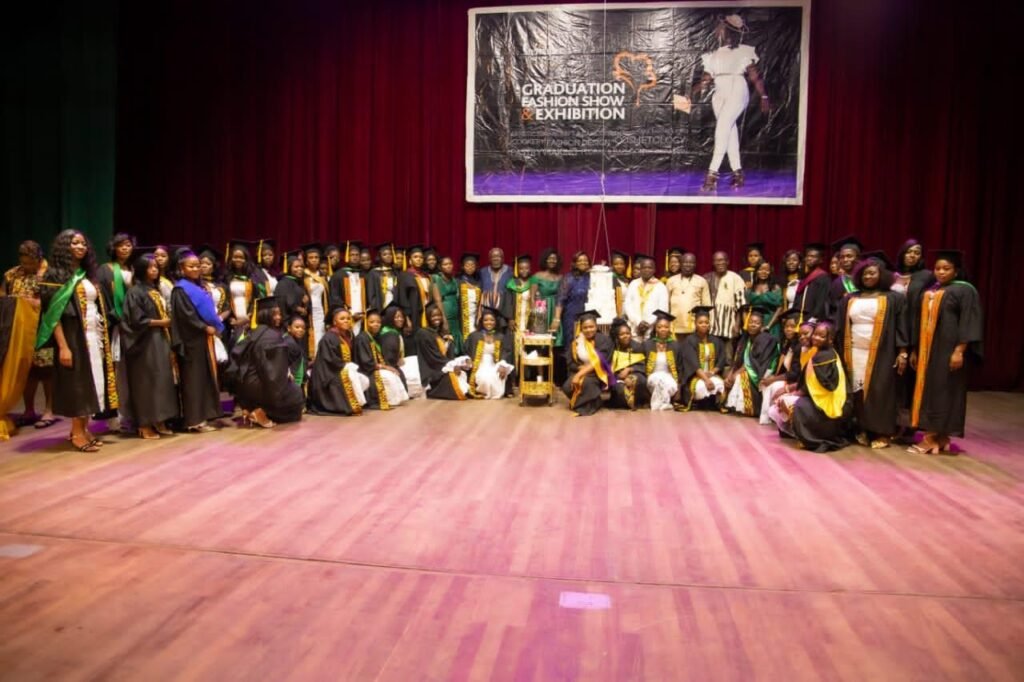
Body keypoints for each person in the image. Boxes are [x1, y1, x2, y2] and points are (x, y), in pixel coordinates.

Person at [36, 230, 117, 452]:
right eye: (74, 243)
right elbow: (53, 316)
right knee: (78, 384)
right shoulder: (55, 275)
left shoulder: (85, 274)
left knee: (94, 382)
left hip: (93, 335)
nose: (81, 246)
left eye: (83, 243)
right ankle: (77, 432)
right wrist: (63, 346)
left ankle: (83, 428)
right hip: (73, 336)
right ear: (64, 247)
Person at [673, 13, 770, 191]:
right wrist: (690, 93)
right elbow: (706, 79)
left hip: (737, 89)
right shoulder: (715, 54)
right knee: (729, 132)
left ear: (727, 30)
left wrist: (764, 96)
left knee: (722, 129)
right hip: (719, 93)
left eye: (720, 27)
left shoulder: (744, 51)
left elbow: (755, 76)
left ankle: (712, 174)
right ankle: (738, 174)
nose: (717, 30)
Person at [909, 250, 983, 454]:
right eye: (938, 268)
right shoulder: (932, 289)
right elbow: (919, 321)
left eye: (946, 269)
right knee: (931, 389)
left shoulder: (965, 291)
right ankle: (940, 437)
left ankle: (932, 436)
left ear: (956, 271)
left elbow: (969, 321)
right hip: (927, 350)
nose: (941, 272)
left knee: (944, 391)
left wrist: (959, 350)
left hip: (948, 350)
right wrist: (916, 349)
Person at [834, 256, 909, 449]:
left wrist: (903, 352)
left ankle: (882, 433)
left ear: (881, 275)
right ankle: (862, 428)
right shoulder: (851, 298)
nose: (868, 276)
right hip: (854, 351)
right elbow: (840, 326)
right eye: (865, 273)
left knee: (880, 391)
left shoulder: (894, 298)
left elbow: (902, 327)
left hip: (882, 352)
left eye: (872, 273)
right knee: (857, 391)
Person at [120, 252, 179, 439]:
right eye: (150, 267)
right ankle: (144, 424)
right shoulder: (135, 292)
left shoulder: (155, 289)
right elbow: (136, 320)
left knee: (161, 381)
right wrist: (163, 323)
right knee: (146, 382)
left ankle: (159, 419)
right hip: (144, 342)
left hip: (160, 339)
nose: (154, 270)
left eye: (156, 267)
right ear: (140, 270)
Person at [2, 240, 57, 429]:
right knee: (27, 370)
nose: (26, 266)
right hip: (19, 331)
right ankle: (29, 410)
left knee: (46, 370)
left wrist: (34, 303)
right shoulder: (12, 274)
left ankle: (49, 410)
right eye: (23, 262)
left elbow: (55, 301)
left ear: (39, 258)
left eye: (30, 263)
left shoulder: (49, 274)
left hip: (44, 328)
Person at [226, 296, 305, 426]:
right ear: (266, 314)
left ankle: (249, 409)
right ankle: (263, 412)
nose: (279, 317)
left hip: (244, 385)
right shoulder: (273, 336)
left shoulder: (252, 332)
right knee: (295, 395)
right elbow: (273, 375)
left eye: (279, 314)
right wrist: (283, 388)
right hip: (261, 384)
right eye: (275, 314)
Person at [170, 250, 225, 433]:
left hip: (201, 341)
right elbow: (186, 317)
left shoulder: (197, 286)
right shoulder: (180, 289)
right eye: (191, 266)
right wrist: (204, 327)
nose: (195, 269)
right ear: (181, 268)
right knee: (193, 381)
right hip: (190, 342)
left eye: (197, 265)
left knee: (202, 380)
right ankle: (193, 421)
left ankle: (202, 418)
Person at [779, 321, 853, 452]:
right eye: (815, 334)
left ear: (830, 339)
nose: (816, 338)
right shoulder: (820, 353)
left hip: (828, 401)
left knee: (797, 405)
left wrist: (798, 393)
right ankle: (797, 434)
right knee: (784, 402)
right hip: (818, 396)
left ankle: (811, 438)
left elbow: (825, 384)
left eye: (821, 336)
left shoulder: (825, 356)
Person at [307, 306, 368, 416]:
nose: (346, 321)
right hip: (328, 375)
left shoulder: (348, 335)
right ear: (335, 322)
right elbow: (330, 360)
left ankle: (356, 402)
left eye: (348, 318)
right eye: (342, 319)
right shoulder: (329, 338)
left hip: (341, 369)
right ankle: (351, 405)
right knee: (351, 375)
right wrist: (346, 366)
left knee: (364, 380)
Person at [723, 305, 779, 417]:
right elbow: (738, 360)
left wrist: (736, 373)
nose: (753, 325)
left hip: (760, 373)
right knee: (729, 376)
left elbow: (755, 363)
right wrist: (730, 373)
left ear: (762, 325)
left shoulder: (766, 339)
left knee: (740, 377)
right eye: (751, 322)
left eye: (757, 323)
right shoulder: (746, 338)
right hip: (748, 370)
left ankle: (750, 408)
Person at [354, 308, 409, 409]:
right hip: (366, 370)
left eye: (378, 322)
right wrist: (385, 367)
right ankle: (388, 400)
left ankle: (394, 401)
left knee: (394, 374)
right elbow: (365, 362)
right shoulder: (362, 338)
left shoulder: (374, 337)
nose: (376, 324)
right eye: (372, 322)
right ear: (366, 323)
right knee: (388, 375)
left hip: (373, 367)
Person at [562, 309, 614, 416]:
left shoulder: (603, 340)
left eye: (591, 327)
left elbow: (599, 361)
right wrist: (579, 369)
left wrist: (579, 375)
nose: (589, 330)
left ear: (596, 326)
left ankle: (588, 405)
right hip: (581, 371)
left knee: (586, 383)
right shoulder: (577, 342)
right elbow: (570, 361)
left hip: (598, 373)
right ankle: (595, 401)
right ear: (581, 328)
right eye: (585, 327)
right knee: (567, 386)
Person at [415, 303, 472, 400]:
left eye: (439, 315)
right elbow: (433, 358)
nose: (437, 318)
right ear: (428, 317)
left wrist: (449, 344)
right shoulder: (423, 334)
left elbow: (448, 357)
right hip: (433, 371)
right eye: (433, 316)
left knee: (464, 372)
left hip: (443, 366)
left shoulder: (440, 333)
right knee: (456, 386)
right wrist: (452, 366)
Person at [678, 306, 728, 412]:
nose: (704, 325)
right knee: (701, 387)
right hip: (696, 376)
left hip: (712, 374)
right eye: (700, 322)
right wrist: (706, 379)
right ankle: (703, 401)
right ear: (695, 324)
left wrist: (712, 372)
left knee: (720, 384)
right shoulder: (689, 341)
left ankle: (715, 403)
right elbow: (692, 363)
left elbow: (722, 359)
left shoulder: (716, 341)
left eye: (706, 322)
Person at [757, 307, 802, 424]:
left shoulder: (800, 347)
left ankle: (772, 417)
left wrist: (773, 379)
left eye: (792, 326)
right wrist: (770, 378)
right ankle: (770, 417)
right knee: (765, 384)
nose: (788, 329)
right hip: (787, 377)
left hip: (796, 382)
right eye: (786, 327)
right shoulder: (788, 344)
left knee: (773, 385)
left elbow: (795, 373)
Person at [223, 239, 268, 349]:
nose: (238, 260)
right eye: (235, 257)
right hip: (232, 322)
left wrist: (249, 317)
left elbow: (260, 299)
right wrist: (230, 319)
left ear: (246, 259)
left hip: (250, 320)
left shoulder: (254, 277)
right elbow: (224, 300)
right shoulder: (227, 277)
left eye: (241, 257)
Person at [704, 251, 746, 364]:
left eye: (723, 260)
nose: (720, 263)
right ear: (713, 263)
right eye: (717, 260)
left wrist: (737, 325)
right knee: (711, 356)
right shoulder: (707, 278)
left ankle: (726, 380)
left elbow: (740, 305)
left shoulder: (735, 278)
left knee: (728, 358)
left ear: (728, 262)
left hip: (728, 326)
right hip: (710, 325)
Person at [465, 307, 516, 399]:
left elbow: (506, 352)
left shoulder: (500, 336)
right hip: (479, 365)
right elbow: (467, 352)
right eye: (486, 320)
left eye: (492, 320)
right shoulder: (474, 336)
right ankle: (482, 392)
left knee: (496, 376)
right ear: (482, 322)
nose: (489, 322)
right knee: (485, 378)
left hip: (494, 364)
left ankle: (495, 392)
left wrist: (502, 365)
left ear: (496, 322)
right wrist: (468, 360)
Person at [666, 251, 711, 341]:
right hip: (675, 327)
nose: (688, 265)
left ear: (695, 265)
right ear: (681, 264)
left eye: (691, 263)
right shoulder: (671, 280)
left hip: (694, 328)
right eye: (685, 262)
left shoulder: (701, 281)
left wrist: (705, 325)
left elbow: (706, 306)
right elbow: (666, 305)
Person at [624, 254, 669, 341]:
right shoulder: (633, 284)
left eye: (650, 267)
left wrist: (648, 323)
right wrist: (638, 322)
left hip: (652, 329)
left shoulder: (660, 286)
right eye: (644, 267)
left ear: (654, 270)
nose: (647, 270)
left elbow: (663, 310)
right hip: (634, 327)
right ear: (640, 269)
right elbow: (627, 305)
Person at [643, 310, 682, 411]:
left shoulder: (675, 345)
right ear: (655, 329)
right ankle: (665, 404)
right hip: (652, 376)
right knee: (658, 382)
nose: (663, 329)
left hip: (670, 377)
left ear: (669, 328)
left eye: (666, 327)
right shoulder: (648, 344)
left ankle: (658, 404)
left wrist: (679, 386)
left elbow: (680, 367)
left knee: (666, 384)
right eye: (659, 327)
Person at [607, 317, 648, 410]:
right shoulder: (613, 347)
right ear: (617, 336)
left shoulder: (637, 347)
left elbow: (644, 366)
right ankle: (627, 402)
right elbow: (610, 366)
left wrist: (629, 370)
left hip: (635, 373)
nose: (625, 336)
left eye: (627, 333)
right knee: (620, 389)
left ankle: (636, 401)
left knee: (639, 380)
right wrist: (619, 376)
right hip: (618, 376)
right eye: (622, 334)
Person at [501, 253, 533, 373]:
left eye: (526, 268)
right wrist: (510, 318)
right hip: (515, 322)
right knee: (513, 347)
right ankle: (514, 376)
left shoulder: (533, 283)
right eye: (521, 268)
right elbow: (507, 302)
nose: (524, 270)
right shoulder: (512, 284)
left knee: (528, 347)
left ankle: (527, 376)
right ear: (517, 269)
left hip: (529, 321)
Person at [554, 251, 592, 347]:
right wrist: (557, 319)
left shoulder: (592, 277)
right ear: (575, 263)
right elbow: (560, 299)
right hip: (572, 317)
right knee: (572, 343)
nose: (583, 262)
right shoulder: (568, 278)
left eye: (585, 260)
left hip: (589, 316)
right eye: (580, 261)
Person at [329, 242, 367, 335]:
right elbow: (335, 298)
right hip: (346, 316)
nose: (355, 257)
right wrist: (348, 314)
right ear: (346, 256)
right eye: (352, 255)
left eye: (357, 255)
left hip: (362, 317)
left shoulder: (364, 275)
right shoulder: (338, 275)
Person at [529, 248, 564, 346]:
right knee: (541, 339)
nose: (552, 260)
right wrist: (535, 316)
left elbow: (562, 297)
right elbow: (532, 298)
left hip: (556, 309)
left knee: (556, 341)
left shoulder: (561, 278)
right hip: (542, 310)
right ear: (545, 260)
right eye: (549, 258)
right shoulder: (537, 277)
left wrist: (557, 317)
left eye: (554, 258)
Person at [301, 243, 330, 358]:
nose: (314, 260)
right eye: (311, 258)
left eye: (316, 257)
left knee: (321, 334)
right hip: (308, 312)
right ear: (306, 260)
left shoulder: (323, 275)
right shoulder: (302, 275)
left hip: (322, 311)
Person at [396, 245, 433, 333]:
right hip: (414, 314)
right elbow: (403, 299)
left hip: (427, 313)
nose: (418, 259)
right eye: (415, 257)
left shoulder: (426, 276)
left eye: (421, 257)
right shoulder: (404, 275)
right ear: (410, 260)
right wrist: (407, 318)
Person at [792, 242, 830, 323]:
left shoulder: (823, 277)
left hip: (811, 319)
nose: (809, 258)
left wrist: (814, 318)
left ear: (820, 260)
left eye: (813, 256)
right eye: (808, 256)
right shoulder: (805, 277)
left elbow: (821, 301)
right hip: (799, 318)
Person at [431, 255, 462, 352]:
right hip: (445, 313)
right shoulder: (436, 278)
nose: (448, 266)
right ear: (440, 267)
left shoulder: (454, 279)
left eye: (450, 264)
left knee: (456, 335)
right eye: (445, 264)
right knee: (447, 337)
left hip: (455, 315)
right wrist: (444, 320)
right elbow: (437, 300)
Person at [745, 260, 784, 337]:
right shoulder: (751, 288)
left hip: (771, 323)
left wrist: (768, 326)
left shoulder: (775, 288)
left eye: (767, 270)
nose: (763, 272)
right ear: (756, 271)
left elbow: (780, 309)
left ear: (770, 272)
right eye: (760, 269)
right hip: (754, 323)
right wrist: (748, 325)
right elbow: (745, 308)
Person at [828, 236, 863, 318]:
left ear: (858, 258)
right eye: (842, 257)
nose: (845, 259)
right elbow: (832, 308)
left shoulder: (865, 279)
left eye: (849, 256)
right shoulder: (837, 283)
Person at [379, 303, 409, 391]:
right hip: (389, 368)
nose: (400, 319)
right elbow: (389, 357)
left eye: (401, 317)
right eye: (396, 317)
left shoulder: (392, 331)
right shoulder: (390, 334)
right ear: (390, 318)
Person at [274, 252, 309, 325]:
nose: (300, 269)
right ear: (289, 268)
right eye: (296, 267)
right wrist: (300, 310)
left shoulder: (298, 282)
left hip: (298, 320)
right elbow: (288, 303)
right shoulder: (284, 283)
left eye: (301, 267)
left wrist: (306, 303)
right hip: (288, 321)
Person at [457, 252, 483, 343]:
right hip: (462, 316)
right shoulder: (458, 281)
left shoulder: (479, 282)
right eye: (467, 265)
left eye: (472, 265)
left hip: (474, 315)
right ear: (463, 267)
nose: (470, 267)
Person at [366, 242, 398, 311]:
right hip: (380, 308)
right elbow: (371, 294)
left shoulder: (395, 272)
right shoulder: (374, 273)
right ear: (380, 257)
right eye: (384, 254)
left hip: (395, 307)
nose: (388, 256)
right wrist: (376, 308)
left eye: (390, 254)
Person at [479, 247, 511, 314]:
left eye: (498, 256)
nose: (495, 259)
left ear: (502, 258)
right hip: (487, 310)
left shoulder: (510, 271)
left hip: (504, 310)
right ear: (489, 259)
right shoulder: (483, 272)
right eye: (493, 257)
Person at [283, 315, 309, 391]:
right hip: (290, 380)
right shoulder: (289, 343)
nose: (300, 330)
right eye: (297, 327)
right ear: (289, 328)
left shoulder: (290, 339)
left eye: (303, 328)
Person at [610, 250, 632, 317]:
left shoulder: (626, 280)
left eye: (622, 264)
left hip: (627, 312)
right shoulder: (610, 279)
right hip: (615, 313)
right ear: (612, 265)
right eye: (616, 264)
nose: (619, 266)